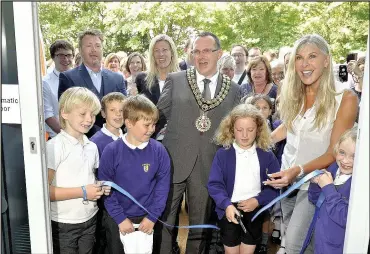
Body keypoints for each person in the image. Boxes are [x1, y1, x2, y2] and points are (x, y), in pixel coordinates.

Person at [265, 34, 358, 254]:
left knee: (294, 246)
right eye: (299, 58)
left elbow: (334, 152)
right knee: (300, 243)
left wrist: (297, 171)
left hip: (314, 185)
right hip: (286, 182)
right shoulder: (294, 93)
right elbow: (289, 127)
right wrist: (258, 141)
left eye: (312, 56)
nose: (304, 64)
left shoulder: (345, 98)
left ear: (326, 60)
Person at [156, 31, 241, 254]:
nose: (201, 56)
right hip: (172, 164)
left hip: (209, 167)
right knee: (164, 223)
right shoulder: (176, 80)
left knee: (200, 227)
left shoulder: (233, 90)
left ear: (219, 54)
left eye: (206, 51)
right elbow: (156, 118)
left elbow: (236, 133)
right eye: (196, 51)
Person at [97, 94, 171, 254]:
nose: (152, 129)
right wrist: (120, 219)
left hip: (148, 218)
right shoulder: (111, 151)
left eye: (154, 124)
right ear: (129, 123)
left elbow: (162, 189)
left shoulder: (159, 151)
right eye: (147, 125)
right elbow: (106, 190)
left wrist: (152, 217)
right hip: (117, 219)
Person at [207, 103, 280, 254]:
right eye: (240, 130)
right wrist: (226, 205)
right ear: (232, 129)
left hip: (255, 210)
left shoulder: (267, 155)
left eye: (250, 130)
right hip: (229, 210)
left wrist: (258, 201)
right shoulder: (223, 154)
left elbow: (274, 186)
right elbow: (215, 185)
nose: (245, 135)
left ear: (258, 129)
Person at [47, 87, 111, 254]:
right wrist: (83, 192)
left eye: (92, 114)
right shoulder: (54, 146)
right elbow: (45, 192)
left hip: (90, 219)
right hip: (63, 224)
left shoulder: (92, 146)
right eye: (83, 114)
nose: (89, 119)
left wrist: (100, 186)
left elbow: (88, 179)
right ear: (65, 113)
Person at [58, 29, 127, 137]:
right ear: (80, 50)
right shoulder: (68, 78)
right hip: (82, 141)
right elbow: (66, 114)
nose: (94, 50)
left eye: (97, 46)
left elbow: (125, 111)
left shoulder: (117, 78)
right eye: (89, 46)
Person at [308, 127, 357, 254]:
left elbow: (346, 218)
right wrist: (315, 184)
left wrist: (328, 188)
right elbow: (315, 200)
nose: (346, 161)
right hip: (320, 240)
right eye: (342, 153)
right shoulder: (334, 168)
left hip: (337, 247)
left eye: (354, 156)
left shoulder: (358, 185)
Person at [43, 39, 75, 139]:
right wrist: (69, 135)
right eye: (60, 55)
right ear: (53, 57)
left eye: (68, 55)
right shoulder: (45, 82)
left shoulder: (79, 78)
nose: (65, 59)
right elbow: (48, 115)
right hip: (58, 138)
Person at [136, 34, 179, 105]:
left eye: (164, 50)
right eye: (156, 50)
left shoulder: (183, 79)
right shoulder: (142, 79)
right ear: (152, 54)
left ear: (172, 53)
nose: (161, 54)